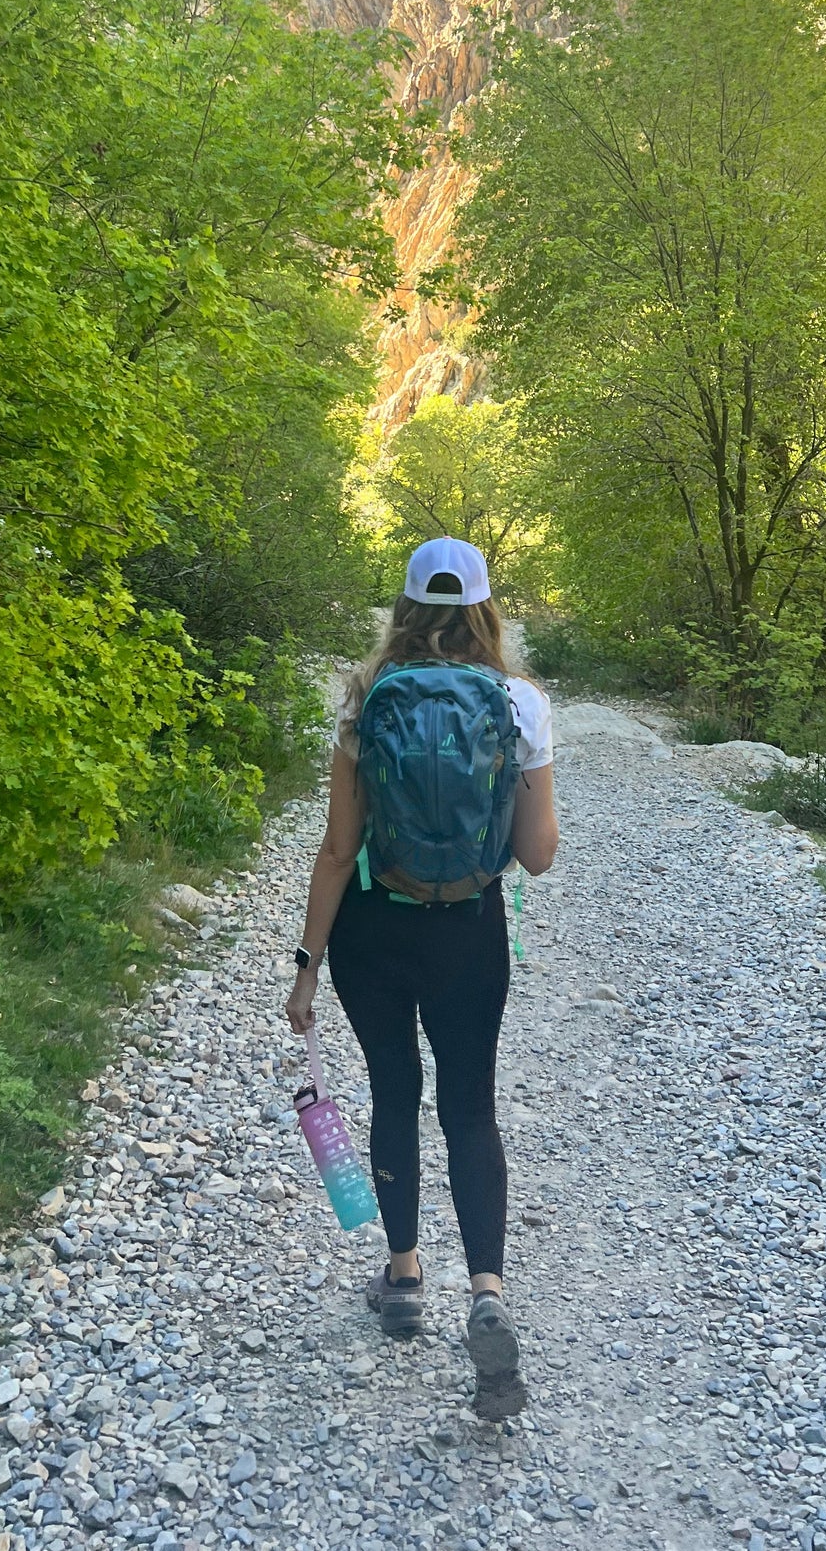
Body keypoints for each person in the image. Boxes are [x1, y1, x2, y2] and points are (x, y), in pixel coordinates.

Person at [285, 537, 559, 1421]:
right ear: (487, 608)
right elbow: (538, 855)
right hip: (470, 931)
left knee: (393, 1093)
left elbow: (337, 849)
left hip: (374, 927)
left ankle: (403, 1275)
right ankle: (486, 1292)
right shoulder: (518, 704)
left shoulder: (367, 700)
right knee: (470, 1106)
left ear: (403, 606)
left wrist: (306, 967)